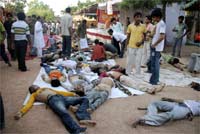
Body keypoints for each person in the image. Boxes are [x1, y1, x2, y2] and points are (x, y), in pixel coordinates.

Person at [14, 85, 96, 134]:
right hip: (53, 100)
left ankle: (83, 117)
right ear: (32, 90)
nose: (35, 86)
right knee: (64, 113)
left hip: (62, 98)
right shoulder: (34, 95)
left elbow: (59, 92)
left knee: (84, 99)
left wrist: (72, 94)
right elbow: (29, 104)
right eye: (33, 86)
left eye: (35, 85)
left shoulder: (46, 88)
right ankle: (76, 130)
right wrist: (21, 112)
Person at [132, 97, 200, 127]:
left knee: (170, 115)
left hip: (186, 110)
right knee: (155, 103)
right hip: (177, 104)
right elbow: (182, 101)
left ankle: (144, 119)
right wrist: (169, 99)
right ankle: (150, 117)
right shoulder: (195, 101)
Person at [126, 12, 146, 76]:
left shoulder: (143, 26)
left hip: (139, 47)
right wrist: (127, 45)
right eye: (137, 17)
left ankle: (137, 73)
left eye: (140, 17)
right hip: (131, 46)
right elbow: (128, 36)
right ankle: (128, 72)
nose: (139, 18)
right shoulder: (130, 26)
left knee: (138, 61)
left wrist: (141, 42)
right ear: (134, 18)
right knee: (129, 60)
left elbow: (145, 36)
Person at [149, 8, 166, 85]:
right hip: (154, 47)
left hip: (156, 48)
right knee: (153, 64)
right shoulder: (158, 24)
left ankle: (154, 80)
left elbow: (162, 37)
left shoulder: (162, 24)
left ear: (157, 16)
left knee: (155, 64)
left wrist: (154, 44)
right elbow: (153, 34)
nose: (152, 19)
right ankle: (154, 79)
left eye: (153, 17)